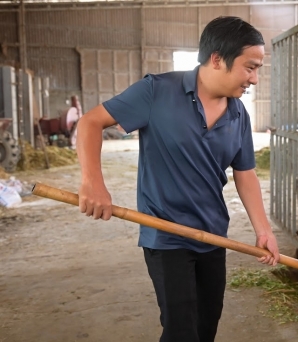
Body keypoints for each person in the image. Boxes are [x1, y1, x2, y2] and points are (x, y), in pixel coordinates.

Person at [75, 16, 280, 342]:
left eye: (258, 69)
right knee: (182, 331)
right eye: (250, 67)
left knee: (206, 326)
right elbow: (90, 123)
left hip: (214, 236)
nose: (255, 79)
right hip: (166, 237)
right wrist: (93, 183)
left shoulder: (238, 114)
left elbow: (246, 174)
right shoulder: (156, 91)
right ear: (216, 59)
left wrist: (263, 229)